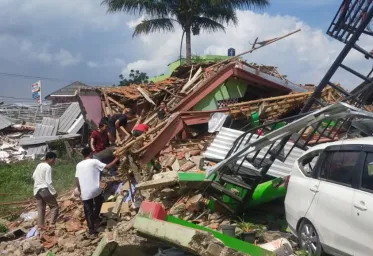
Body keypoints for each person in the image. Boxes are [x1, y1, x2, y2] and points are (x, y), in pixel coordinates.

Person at [75, 147, 119, 237]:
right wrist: (116, 159)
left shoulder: (78, 165)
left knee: (88, 211)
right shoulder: (94, 161)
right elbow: (107, 167)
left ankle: (91, 231)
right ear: (90, 154)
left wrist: (79, 189)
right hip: (96, 190)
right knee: (99, 203)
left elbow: (77, 179)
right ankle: (96, 217)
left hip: (85, 192)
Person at [33, 152, 59, 229]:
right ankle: (52, 224)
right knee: (54, 207)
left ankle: (41, 225)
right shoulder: (48, 167)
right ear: (48, 159)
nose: (54, 161)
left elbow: (34, 176)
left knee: (41, 208)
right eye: (53, 159)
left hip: (37, 190)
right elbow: (48, 182)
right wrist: (54, 192)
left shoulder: (39, 165)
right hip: (44, 189)